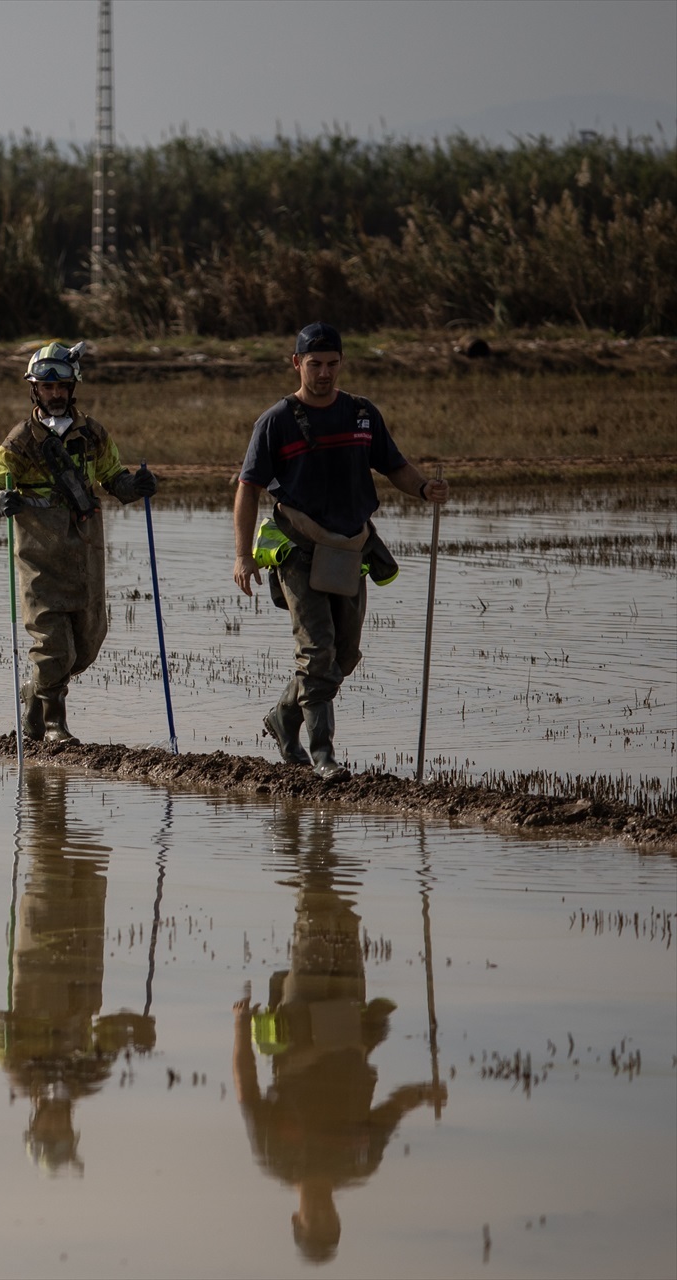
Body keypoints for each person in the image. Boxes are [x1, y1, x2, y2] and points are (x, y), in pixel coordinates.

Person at [233, 323, 448, 780]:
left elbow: (395, 466)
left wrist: (425, 487)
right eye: (315, 364)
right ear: (297, 364)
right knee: (317, 652)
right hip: (299, 548)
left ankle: (283, 717)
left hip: (351, 548)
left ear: (341, 363)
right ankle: (323, 755)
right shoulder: (276, 421)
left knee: (344, 657)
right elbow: (248, 488)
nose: (324, 373)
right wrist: (242, 554)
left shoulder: (361, 414)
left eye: (332, 364)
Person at [232, 807, 444, 1264]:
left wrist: (238, 1028)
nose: (325, 1216)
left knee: (315, 914)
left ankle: (304, 829)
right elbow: (392, 1109)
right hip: (349, 1023)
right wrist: (427, 1094)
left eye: (317, 1224)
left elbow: (247, 1093)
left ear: (297, 1219)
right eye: (331, 1225)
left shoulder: (276, 1159)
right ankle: (319, 833)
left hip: (302, 1018)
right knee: (345, 919)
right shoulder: (360, 1165)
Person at [0, 341, 156, 743]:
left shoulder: (92, 434)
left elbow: (114, 479)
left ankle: (35, 694)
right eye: (46, 387)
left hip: (86, 552)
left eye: (61, 387)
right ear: (34, 390)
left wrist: (136, 485)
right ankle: (55, 723)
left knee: (87, 645)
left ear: (72, 387)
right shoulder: (21, 439)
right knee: (53, 643)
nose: (55, 394)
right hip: (39, 553)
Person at [0, 770, 154, 1172]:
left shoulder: (19, 1072)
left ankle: (44, 779)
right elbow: (113, 1030)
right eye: (61, 1131)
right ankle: (51, 780)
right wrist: (137, 1029)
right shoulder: (88, 1078)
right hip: (86, 959)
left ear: (36, 1123)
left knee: (48, 859)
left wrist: (4, 1030)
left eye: (50, 1129)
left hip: (40, 951)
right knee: (88, 862)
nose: (57, 1122)